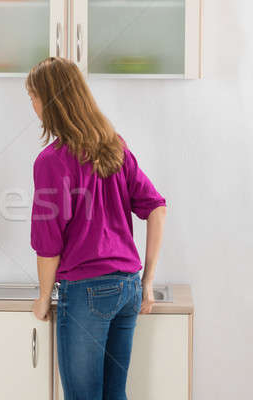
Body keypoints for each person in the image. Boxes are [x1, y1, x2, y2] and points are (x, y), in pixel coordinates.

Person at [27, 57, 167, 400]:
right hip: (128, 289)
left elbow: (48, 243)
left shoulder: (52, 161)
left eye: (32, 97)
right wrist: (147, 281)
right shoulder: (115, 148)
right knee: (114, 395)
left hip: (87, 292)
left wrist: (44, 298)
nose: (32, 105)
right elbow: (157, 208)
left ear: (50, 101)